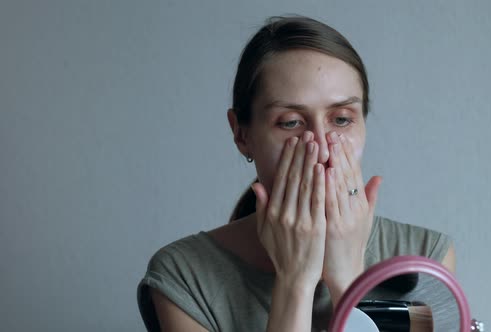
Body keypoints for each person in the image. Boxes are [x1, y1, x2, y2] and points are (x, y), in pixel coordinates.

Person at [137, 15, 455, 332]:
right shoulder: (184, 276)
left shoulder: (424, 258)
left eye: (342, 119)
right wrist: (295, 282)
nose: (321, 146)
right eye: (290, 123)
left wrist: (348, 282)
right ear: (241, 134)